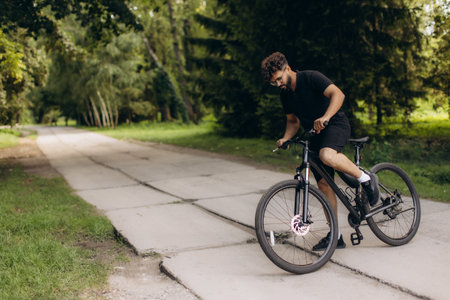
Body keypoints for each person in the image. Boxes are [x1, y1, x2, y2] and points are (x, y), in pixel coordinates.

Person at [261, 51, 379, 251]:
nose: (279, 84)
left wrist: (325, 116)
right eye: (274, 83)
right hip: (315, 133)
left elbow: (338, 94)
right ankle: (336, 236)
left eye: (279, 79)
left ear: (287, 68)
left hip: (335, 124)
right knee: (324, 185)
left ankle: (365, 179)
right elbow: (292, 121)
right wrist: (285, 138)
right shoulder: (286, 94)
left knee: (327, 155)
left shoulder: (311, 77)